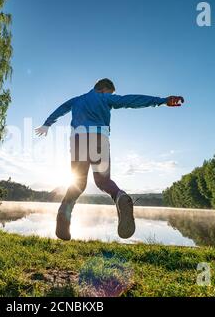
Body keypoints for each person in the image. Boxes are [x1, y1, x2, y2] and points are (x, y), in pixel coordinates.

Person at [35, 78, 184, 241]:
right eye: (111, 93)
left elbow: (61, 109)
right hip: (100, 139)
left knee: (78, 184)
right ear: (104, 89)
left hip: (79, 140)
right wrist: (161, 101)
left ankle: (63, 220)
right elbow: (131, 100)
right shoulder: (106, 98)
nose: (112, 95)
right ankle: (119, 197)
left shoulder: (77, 100)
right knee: (103, 182)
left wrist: (47, 124)